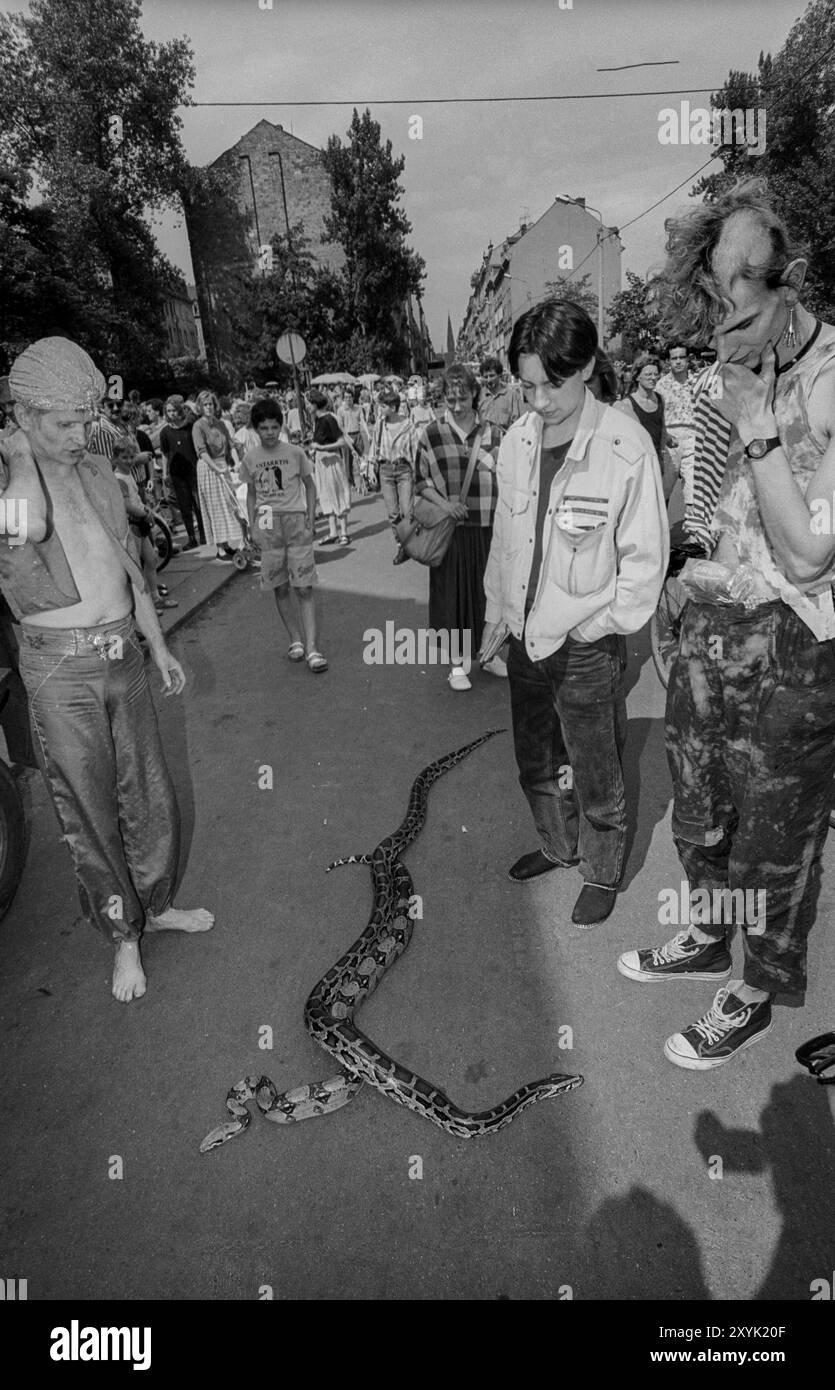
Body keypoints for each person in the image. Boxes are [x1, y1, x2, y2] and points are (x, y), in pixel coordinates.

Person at [619, 178, 835, 1069]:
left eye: (738, 308)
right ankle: (709, 932)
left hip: (793, 645)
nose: (723, 330)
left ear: (785, 281)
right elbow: (707, 504)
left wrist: (757, 427)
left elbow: (810, 555)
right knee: (699, 808)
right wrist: (683, 568)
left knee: (773, 836)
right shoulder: (726, 369)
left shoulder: (826, 382)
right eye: (712, 306)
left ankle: (752, 986)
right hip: (713, 628)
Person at [0, 337, 213, 1002]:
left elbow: (128, 567)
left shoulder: (95, 470)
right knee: (89, 810)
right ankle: (123, 937)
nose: (78, 436)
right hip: (57, 669)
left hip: (122, 647)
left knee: (148, 792)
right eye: (62, 423)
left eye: (83, 421)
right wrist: (17, 458)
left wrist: (158, 643)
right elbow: (27, 531)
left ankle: (157, 902)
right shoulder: (8, 487)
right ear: (23, 415)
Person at [481, 300, 668, 926]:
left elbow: (644, 562)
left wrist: (596, 627)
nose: (538, 400)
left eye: (552, 384)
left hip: (587, 644)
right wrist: (495, 613)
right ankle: (556, 847)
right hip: (523, 636)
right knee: (535, 757)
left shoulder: (624, 446)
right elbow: (506, 541)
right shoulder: (516, 441)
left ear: (587, 366)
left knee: (596, 766)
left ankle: (602, 870)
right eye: (527, 385)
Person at [415, 364, 504, 688]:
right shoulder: (431, 433)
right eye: (449, 399)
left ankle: (490, 654)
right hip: (448, 528)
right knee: (451, 595)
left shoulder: (494, 433)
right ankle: (456, 664)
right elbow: (420, 481)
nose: (455, 405)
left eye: (462, 398)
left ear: (475, 396)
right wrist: (446, 506)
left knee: (488, 592)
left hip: (485, 524)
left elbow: (508, 478)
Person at [240, 398, 325, 673]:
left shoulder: (295, 452)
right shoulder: (250, 458)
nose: (270, 433)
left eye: (274, 427)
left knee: (304, 586)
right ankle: (295, 640)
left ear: (281, 426)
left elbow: (309, 485)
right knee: (280, 585)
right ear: (255, 429)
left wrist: (311, 515)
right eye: (264, 428)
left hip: (294, 518)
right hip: (267, 520)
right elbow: (252, 493)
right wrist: (253, 524)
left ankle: (313, 648)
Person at [112, 436, 177, 613]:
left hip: (140, 523)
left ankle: (155, 597)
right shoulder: (118, 478)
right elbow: (126, 504)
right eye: (124, 458)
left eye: (131, 457)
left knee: (151, 559)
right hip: (131, 525)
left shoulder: (128, 475)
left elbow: (135, 499)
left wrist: (145, 509)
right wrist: (145, 513)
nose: (128, 461)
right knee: (137, 568)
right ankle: (144, 606)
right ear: (115, 458)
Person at [615, 353, 677, 501]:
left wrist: (668, 440)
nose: (653, 377)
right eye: (648, 374)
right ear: (637, 377)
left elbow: (661, 426)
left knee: (660, 505)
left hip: (657, 462)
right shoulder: (627, 404)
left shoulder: (660, 399)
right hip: (638, 466)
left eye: (656, 374)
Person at [370, 387, 420, 563]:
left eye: (383, 406)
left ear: (392, 407)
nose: (380, 409)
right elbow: (374, 447)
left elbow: (415, 452)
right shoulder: (380, 425)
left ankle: (410, 541)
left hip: (404, 469)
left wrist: (418, 475)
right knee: (393, 513)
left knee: (407, 510)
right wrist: (371, 468)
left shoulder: (408, 425)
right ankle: (402, 546)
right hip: (385, 470)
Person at [192, 390, 241, 561]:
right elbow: (202, 452)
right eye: (205, 405)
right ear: (200, 407)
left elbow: (231, 444)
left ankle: (227, 543)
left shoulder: (220, 424)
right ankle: (220, 547)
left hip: (222, 465)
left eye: (210, 404)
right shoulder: (198, 426)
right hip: (209, 467)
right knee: (215, 506)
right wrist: (216, 468)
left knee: (229, 504)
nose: (208, 408)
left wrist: (235, 463)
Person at [307, 389, 356, 546]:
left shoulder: (329, 419)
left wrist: (321, 448)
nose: (307, 407)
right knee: (326, 495)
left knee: (338, 493)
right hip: (321, 462)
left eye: (308, 404)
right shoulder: (317, 420)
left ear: (315, 404)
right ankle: (333, 532)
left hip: (332, 460)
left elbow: (342, 442)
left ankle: (344, 532)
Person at [159, 396, 205, 551]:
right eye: (169, 411)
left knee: (198, 504)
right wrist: (165, 473)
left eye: (174, 410)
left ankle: (204, 534)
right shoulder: (165, 432)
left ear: (179, 410)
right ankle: (192, 537)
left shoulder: (190, 426)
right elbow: (165, 454)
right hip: (176, 473)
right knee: (184, 506)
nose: (171, 413)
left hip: (192, 470)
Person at [656, 343, 698, 508]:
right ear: (668, 361)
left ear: (688, 359)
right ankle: (661, 529)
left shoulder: (696, 382)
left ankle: (694, 529)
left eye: (682, 357)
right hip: (670, 440)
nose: (679, 361)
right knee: (664, 490)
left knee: (693, 489)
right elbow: (656, 414)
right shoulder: (661, 385)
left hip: (692, 437)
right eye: (675, 358)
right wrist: (664, 436)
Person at [479, 356, 523, 433]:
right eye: (486, 377)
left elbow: (519, 421)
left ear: (500, 375)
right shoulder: (478, 396)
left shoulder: (512, 395)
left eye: (492, 376)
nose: (488, 380)